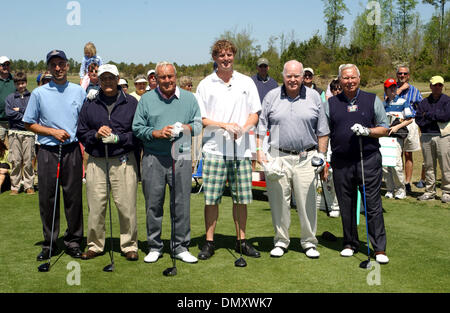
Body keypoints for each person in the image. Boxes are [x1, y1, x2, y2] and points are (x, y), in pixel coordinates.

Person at [256, 60, 329, 259]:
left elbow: (323, 131)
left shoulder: (314, 96)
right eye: (289, 76)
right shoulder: (272, 96)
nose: (293, 80)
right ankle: (281, 241)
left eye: (297, 76)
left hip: (307, 156)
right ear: (283, 76)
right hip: (278, 155)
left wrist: (322, 156)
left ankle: (308, 242)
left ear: (303, 76)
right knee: (279, 201)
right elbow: (261, 128)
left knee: (307, 202)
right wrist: (259, 152)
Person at [195, 39, 261, 260]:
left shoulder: (246, 82)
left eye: (229, 55)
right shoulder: (205, 84)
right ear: (214, 58)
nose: (225, 59)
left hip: (240, 151)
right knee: (212, 198)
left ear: (234, 56)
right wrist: (224, 125)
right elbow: (202, 118)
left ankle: (242, 241)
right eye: (221, 55)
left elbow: (255, 113)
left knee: (240, 198)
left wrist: (242, 129)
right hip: (214, 149)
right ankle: (209, 242)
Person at [132, 61, 202, 264]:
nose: (167, 80)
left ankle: (180, 247)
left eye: (170, 76)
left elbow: (198, 124)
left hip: (181, 157)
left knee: (181, 204)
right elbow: (137, 128)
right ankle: (155, 246)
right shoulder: (146, 99)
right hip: (153, 157)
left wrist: (185, 128)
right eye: (162, 77)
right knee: (153, 204)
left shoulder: (189, 98)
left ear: (175, 76)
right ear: (157, 78)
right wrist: (155, 133)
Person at [324, 64, 390, 264]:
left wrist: (368, 131)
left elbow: (384, 128)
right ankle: (349, 243)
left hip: (367, 159)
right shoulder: (331, 103)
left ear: (359, 78)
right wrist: (323, 158)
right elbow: (324, 131)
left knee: (373, 204)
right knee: (346, 204)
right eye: (345, 78)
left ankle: (378, 248)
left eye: (352, 77)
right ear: (340, 80)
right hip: (341, 161)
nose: (349, 81)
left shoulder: (372, 100)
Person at [23, 50, 86, 261]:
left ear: (68, 66)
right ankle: (50, 243)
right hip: (48, 151)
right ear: (49, 68)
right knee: (48, 198)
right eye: (53, 65)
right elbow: (29, 123)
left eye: (61, 64)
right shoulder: (39, 93)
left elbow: (85, 121)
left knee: (73, 197)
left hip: (71, 150)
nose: (57, 68)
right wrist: (52, 131)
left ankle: (74, 240)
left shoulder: (79, 91)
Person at [77, 64, 140, 261]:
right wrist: (95, 134)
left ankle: (129, 245)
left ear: (118, 79)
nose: (108, 82)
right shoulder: (90, 103)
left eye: (111, 78)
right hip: (96, 160)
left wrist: (119, 138)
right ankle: (95, 245)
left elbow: (137, 133)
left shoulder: (131, 103)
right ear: (99, 81)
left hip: (123, 160)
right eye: (103, 78)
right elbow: (81, 131)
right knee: (96, 206)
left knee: (126, 205)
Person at [415, 76, 450, 203]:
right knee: (429, 165)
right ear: (430, 86)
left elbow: (446, 116)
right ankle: (430, 191)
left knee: (445, 165)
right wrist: (435, 117)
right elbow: (419, 119)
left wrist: (429, 115)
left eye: (440, 85)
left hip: (443, 136)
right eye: (435, 85)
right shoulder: (424, 102)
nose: (437, 87)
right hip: (426, 136)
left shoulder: (447, 100)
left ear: (442, 86)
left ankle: (446, 192)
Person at [382, 78, 414, 200]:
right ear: (386, 90)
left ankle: (400, 190)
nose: (393, 89)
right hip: (385, 137)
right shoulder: (383, 104)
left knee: (396, 163)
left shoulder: (402, 101)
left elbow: (410, 118)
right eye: (390, 87)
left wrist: (397, 127)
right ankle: (390, 189)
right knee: (385, 165)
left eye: (394, 87)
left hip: (397, 136)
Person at [5, 72, 35, 195]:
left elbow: (32, 113)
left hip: (29, 132)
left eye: (22, 83)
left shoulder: (32, 96)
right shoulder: (10, 98)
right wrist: (24, 115)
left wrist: (21, 110)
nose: (21, 85)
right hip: (14, 133)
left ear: (26, 83)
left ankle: (29, 185)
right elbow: (9, 113)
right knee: (16, 160)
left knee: (28, 160)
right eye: (18, 83)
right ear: (15, 84)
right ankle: (15, 186)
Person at [316, 78, 342, 218]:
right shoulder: (326, 106)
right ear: (331, 91)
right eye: (334, 89)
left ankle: (342, 205)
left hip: (344, 145)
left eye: (339, 88)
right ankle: (335, 205)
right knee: (330, 175)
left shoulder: (348, 104)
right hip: (330, 143)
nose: (337, 91)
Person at [396, 65, 422, 193]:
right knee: (397, 154)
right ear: (397, 75)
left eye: (405, 74)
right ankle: (398, 182)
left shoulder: (415, 90)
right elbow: (386, 101)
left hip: (410, 122)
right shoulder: (392, 88)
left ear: (408, 75)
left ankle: (407, 182)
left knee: (408, 153)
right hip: (395, 123)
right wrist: (400, 90)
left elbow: (421, 107)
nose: (402, 76)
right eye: (400, 73)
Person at [0, 56, 16, 147]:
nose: (5, 67)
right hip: (0, 121)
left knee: (14, 147)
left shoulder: (14, 80)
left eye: (7, 64)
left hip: (13, 121)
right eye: (3, 65)